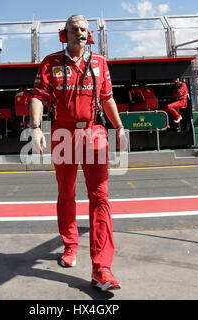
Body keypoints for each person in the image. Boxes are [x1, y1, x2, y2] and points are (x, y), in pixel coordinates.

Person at [30, 14, 127, 291]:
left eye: (84, 29)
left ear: (90, 34)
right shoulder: (50, 63)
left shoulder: (99, 63)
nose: (80, 33)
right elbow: (38, 96)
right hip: (63, 134)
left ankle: (102, 268)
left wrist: (118, 127)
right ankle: (70, 246)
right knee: (66, 193)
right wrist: (36, 128)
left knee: (100, 197)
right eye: (74, 29)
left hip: (94, 133)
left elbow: (107, 97)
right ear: (65, 34)